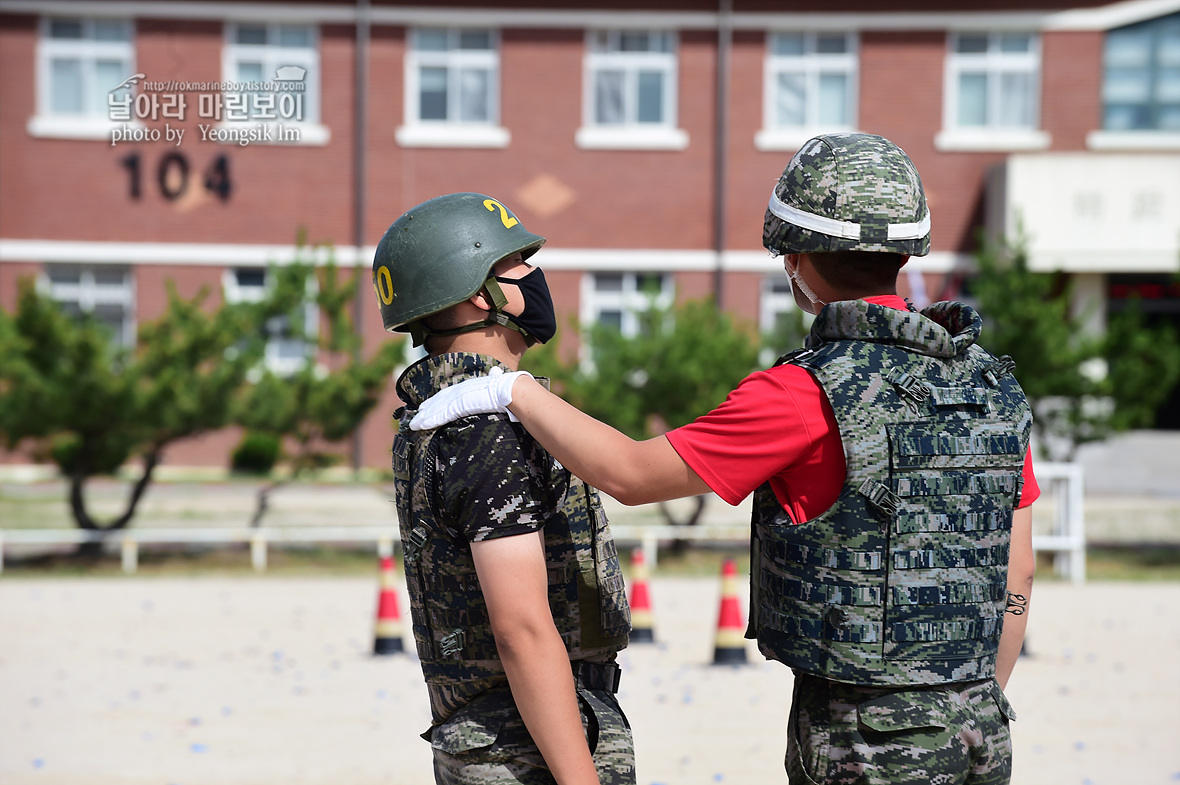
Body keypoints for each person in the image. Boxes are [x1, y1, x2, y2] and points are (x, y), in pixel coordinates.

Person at [410, 134, 1039, 785]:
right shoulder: (989, 383)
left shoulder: (806, 390)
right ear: (910, 250)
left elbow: (629, 472)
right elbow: (1017, 564)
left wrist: (509, 391)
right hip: (981, 724)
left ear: (794, 257)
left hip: (870, 738)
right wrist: (966, 702)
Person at [372, 192, 634, 785]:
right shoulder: (484, 429)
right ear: (477, 292)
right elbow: (520, 627)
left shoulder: (444, 411)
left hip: (506, 732)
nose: (535, 277)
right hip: (527, 747)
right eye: (518, 263)